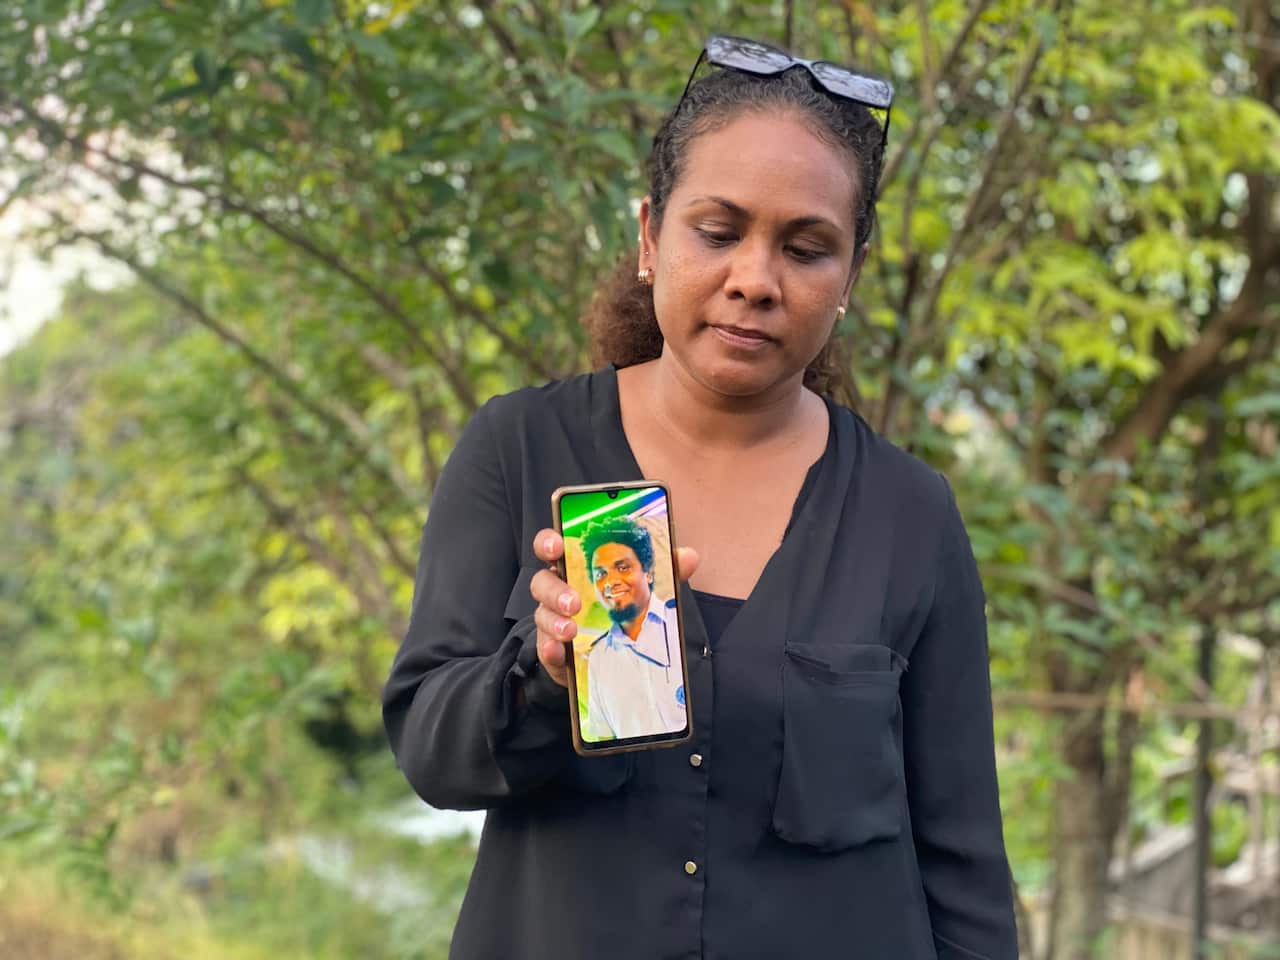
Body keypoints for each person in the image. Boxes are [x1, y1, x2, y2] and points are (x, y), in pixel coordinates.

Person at [383, 33, 1018, 960]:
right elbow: (431, 750)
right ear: (650, 236)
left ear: (849, 276)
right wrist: (541, 676)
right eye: (718, 233)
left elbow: (963, 862)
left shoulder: (911, 515)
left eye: (807, 249)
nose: (755, 280)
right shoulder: (519, 449)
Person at [575, 517, 685, 741]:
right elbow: (603, 738)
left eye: (622, 568)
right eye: (600, 574)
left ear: (648, 573)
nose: (610, 582)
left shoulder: (680, 624)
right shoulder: (597, 658)